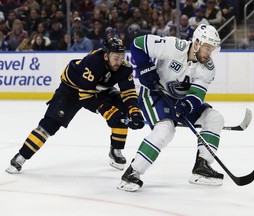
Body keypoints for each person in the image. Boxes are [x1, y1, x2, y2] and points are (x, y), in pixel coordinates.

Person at [6, 37, 144, 174]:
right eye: (116, 57)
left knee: (123, 110)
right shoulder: (93, 62)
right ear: (106, 55)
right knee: (50, 124)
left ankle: (115, 150)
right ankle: (21, 156)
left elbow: (129, 93)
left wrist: (134, 111)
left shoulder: (125, 68)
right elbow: (85, 98)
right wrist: (107, 111)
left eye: (122, 57)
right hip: (71, 90)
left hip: (98, 89)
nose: (119, 62)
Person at [117, 24, 224, 192]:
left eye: (212, 49)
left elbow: (196, 95)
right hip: (154, 95)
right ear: (196, 43)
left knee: (214, 118)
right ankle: (132, 173)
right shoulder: (172, 46)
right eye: (207, 48)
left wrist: (186, 105)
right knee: (166, 129)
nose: (209, 54)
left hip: (179, 102)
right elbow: (137, 44)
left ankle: (201, 167)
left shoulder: (208, 68)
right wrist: (144, 67)